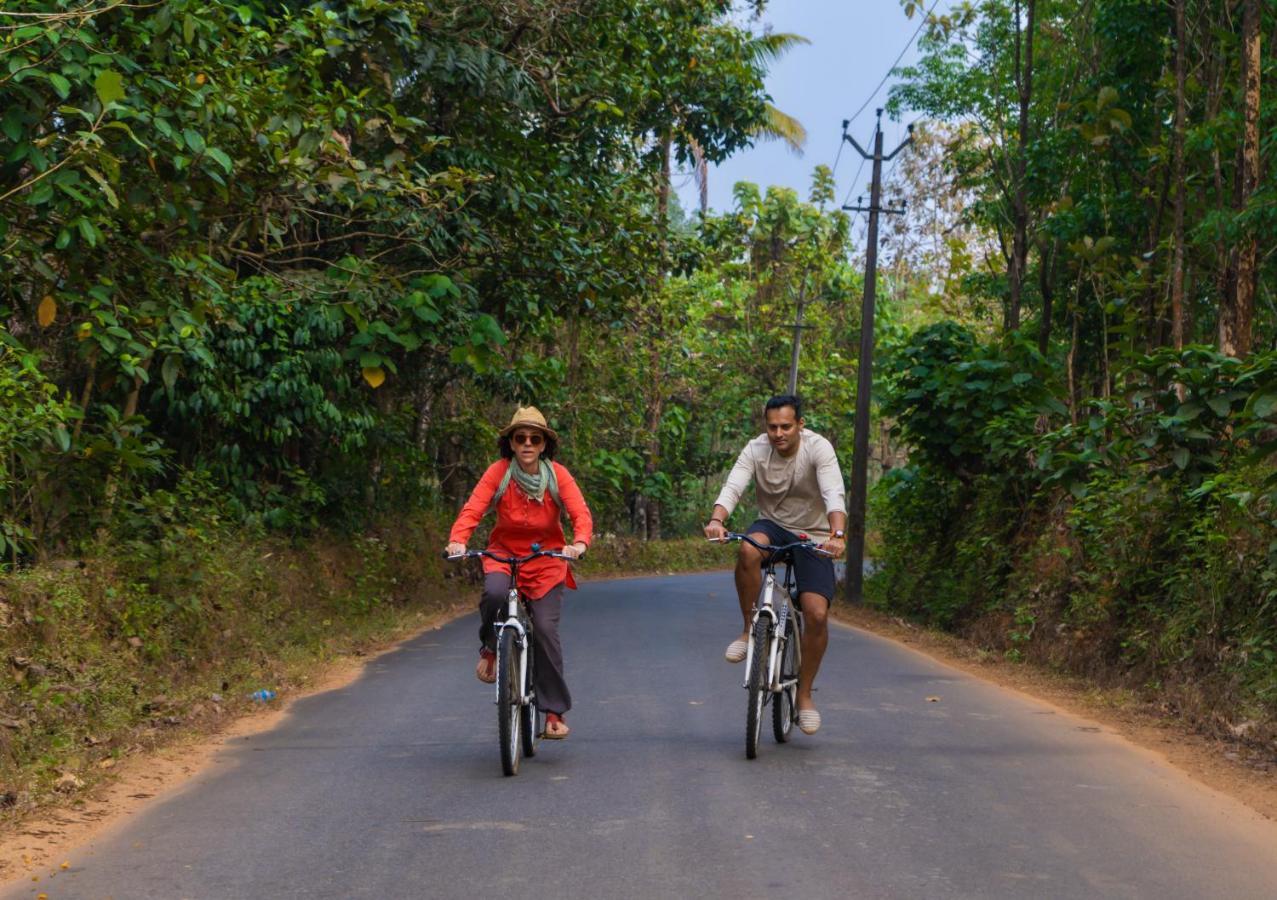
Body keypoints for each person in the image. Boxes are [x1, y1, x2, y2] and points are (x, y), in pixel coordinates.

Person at [446, 406, 593, 739]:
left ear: (543, 445)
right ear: (511, 443)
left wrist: (579, 544)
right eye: (520, 437)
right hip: (504, 555)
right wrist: (458, 540)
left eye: (534, 438)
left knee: (544, 629)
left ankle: (554, 713)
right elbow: (474, 508)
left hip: (547, 562)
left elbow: (580, 514)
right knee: (494, 594)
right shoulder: (498, 472)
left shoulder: (558, 476)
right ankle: (490, 648)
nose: (527, 443)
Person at [703, 394, 846, 735]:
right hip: (772, 525)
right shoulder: (755, 449)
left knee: (816, 613)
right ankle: (748, 629)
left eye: (785, 426)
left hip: (813, 534)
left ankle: (805, 696)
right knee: (749, 552)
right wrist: (717, 519)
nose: (778, 433)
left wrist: (837, 534)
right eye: (772, 427)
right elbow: (733, 486)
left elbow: (833, 493)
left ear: (800, 425)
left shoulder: (818, 449)